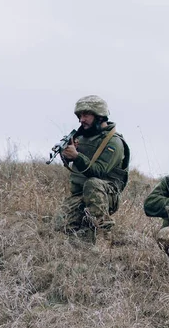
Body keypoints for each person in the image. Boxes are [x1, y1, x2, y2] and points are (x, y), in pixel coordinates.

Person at [53, 95, 130, 243]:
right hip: (81, 194)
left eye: (86, 115)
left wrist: (77, 157)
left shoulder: (114, 142)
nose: (81, 119)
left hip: (106, 194)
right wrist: (68, 156)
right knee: (59, 226)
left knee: (93, 183)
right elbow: (78, 165)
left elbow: (99, 171)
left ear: (100, 117)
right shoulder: (81, 137)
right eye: (80, 116)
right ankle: (86, 228)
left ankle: (103, 233)